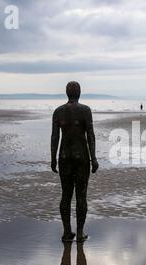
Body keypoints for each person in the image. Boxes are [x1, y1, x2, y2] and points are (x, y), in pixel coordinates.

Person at [51, 81, 99, 242]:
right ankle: (79, 232)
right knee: (81, 196)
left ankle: (66, 232)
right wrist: (94, 158)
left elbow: (55, 137)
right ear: (79, 93)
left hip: (64, 156)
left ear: (67, 93)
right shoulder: (85, 110)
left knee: (65, 195)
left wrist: (53, 158)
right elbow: (90, 135)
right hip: (81, 158)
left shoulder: (58, 112)